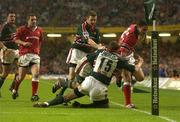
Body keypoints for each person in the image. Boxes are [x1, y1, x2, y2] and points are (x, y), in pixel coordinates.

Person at [33, 42, 144, 108]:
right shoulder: (120, 60)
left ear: (108, 48)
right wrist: (140, 61)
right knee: (105, 104)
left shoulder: (100, 52)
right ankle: (82, 106)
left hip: (89, 80)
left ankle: (47, 103)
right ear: (117, 50)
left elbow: (87, 59)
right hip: (100, 88)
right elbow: (135, 69)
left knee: (67, 97)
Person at [64, 10, 102, 95]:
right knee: (71, 76)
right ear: (87, 19)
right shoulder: (82, 27)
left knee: (81, 79)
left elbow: (98, 43)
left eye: (95, 20)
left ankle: (68, 95)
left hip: (86, 54)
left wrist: (100, 48)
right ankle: (60, 93)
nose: (93, 22)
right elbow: (89, 41)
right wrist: (99, 47)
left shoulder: (96, 30)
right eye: (91, 20)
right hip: (77, 52)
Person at [11, 14, 44, 101]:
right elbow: (15, 39)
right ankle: (15, 90)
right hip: (24, 55)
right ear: (28, 21)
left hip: (35, 56)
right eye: (32, 20)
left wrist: (37, 50)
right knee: (21, 77)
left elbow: (40, 41)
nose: (34, 21)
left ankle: (34, 95)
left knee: (36, 75)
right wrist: (23, 43)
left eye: (35, 19)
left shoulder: (39, 30)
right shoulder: (21, 29)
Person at [117, 20, 148, 108]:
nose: (145, 32)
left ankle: (121, 77)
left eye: (146, 30)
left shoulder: (134, 27)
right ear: (138, 27)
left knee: (141, 78)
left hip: (128, 53)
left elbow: (129, 46)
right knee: (127, 78)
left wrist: (135, 55)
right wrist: (124, 64)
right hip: (122, 54)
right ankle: (128, 103)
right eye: (144, 30)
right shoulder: (130, 37)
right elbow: (123, 48)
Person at [0, 12, 19, 97]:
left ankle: (12, 87)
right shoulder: (4, 27)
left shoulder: (14, 27)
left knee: (21, 70)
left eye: (14, 16)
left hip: (16, 51)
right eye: (11, 16)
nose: (13, 18)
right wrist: (4, 48)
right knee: (5, 73)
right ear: (7, 17)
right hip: (8, 51)